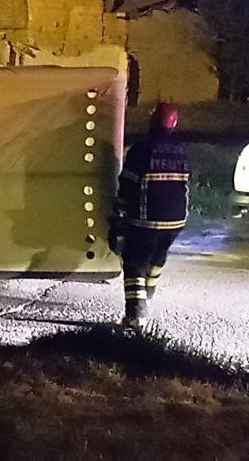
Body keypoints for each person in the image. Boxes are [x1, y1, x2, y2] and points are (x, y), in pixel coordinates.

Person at [109, 102, 190, 329]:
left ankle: (137, 315)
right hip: (176, 220)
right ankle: (149, 293)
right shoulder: (181, 149)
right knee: (157, 257)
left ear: (152, 121)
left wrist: (120, 211)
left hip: (147, 218)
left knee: (134, 262)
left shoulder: (142, 148)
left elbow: (128, 182)